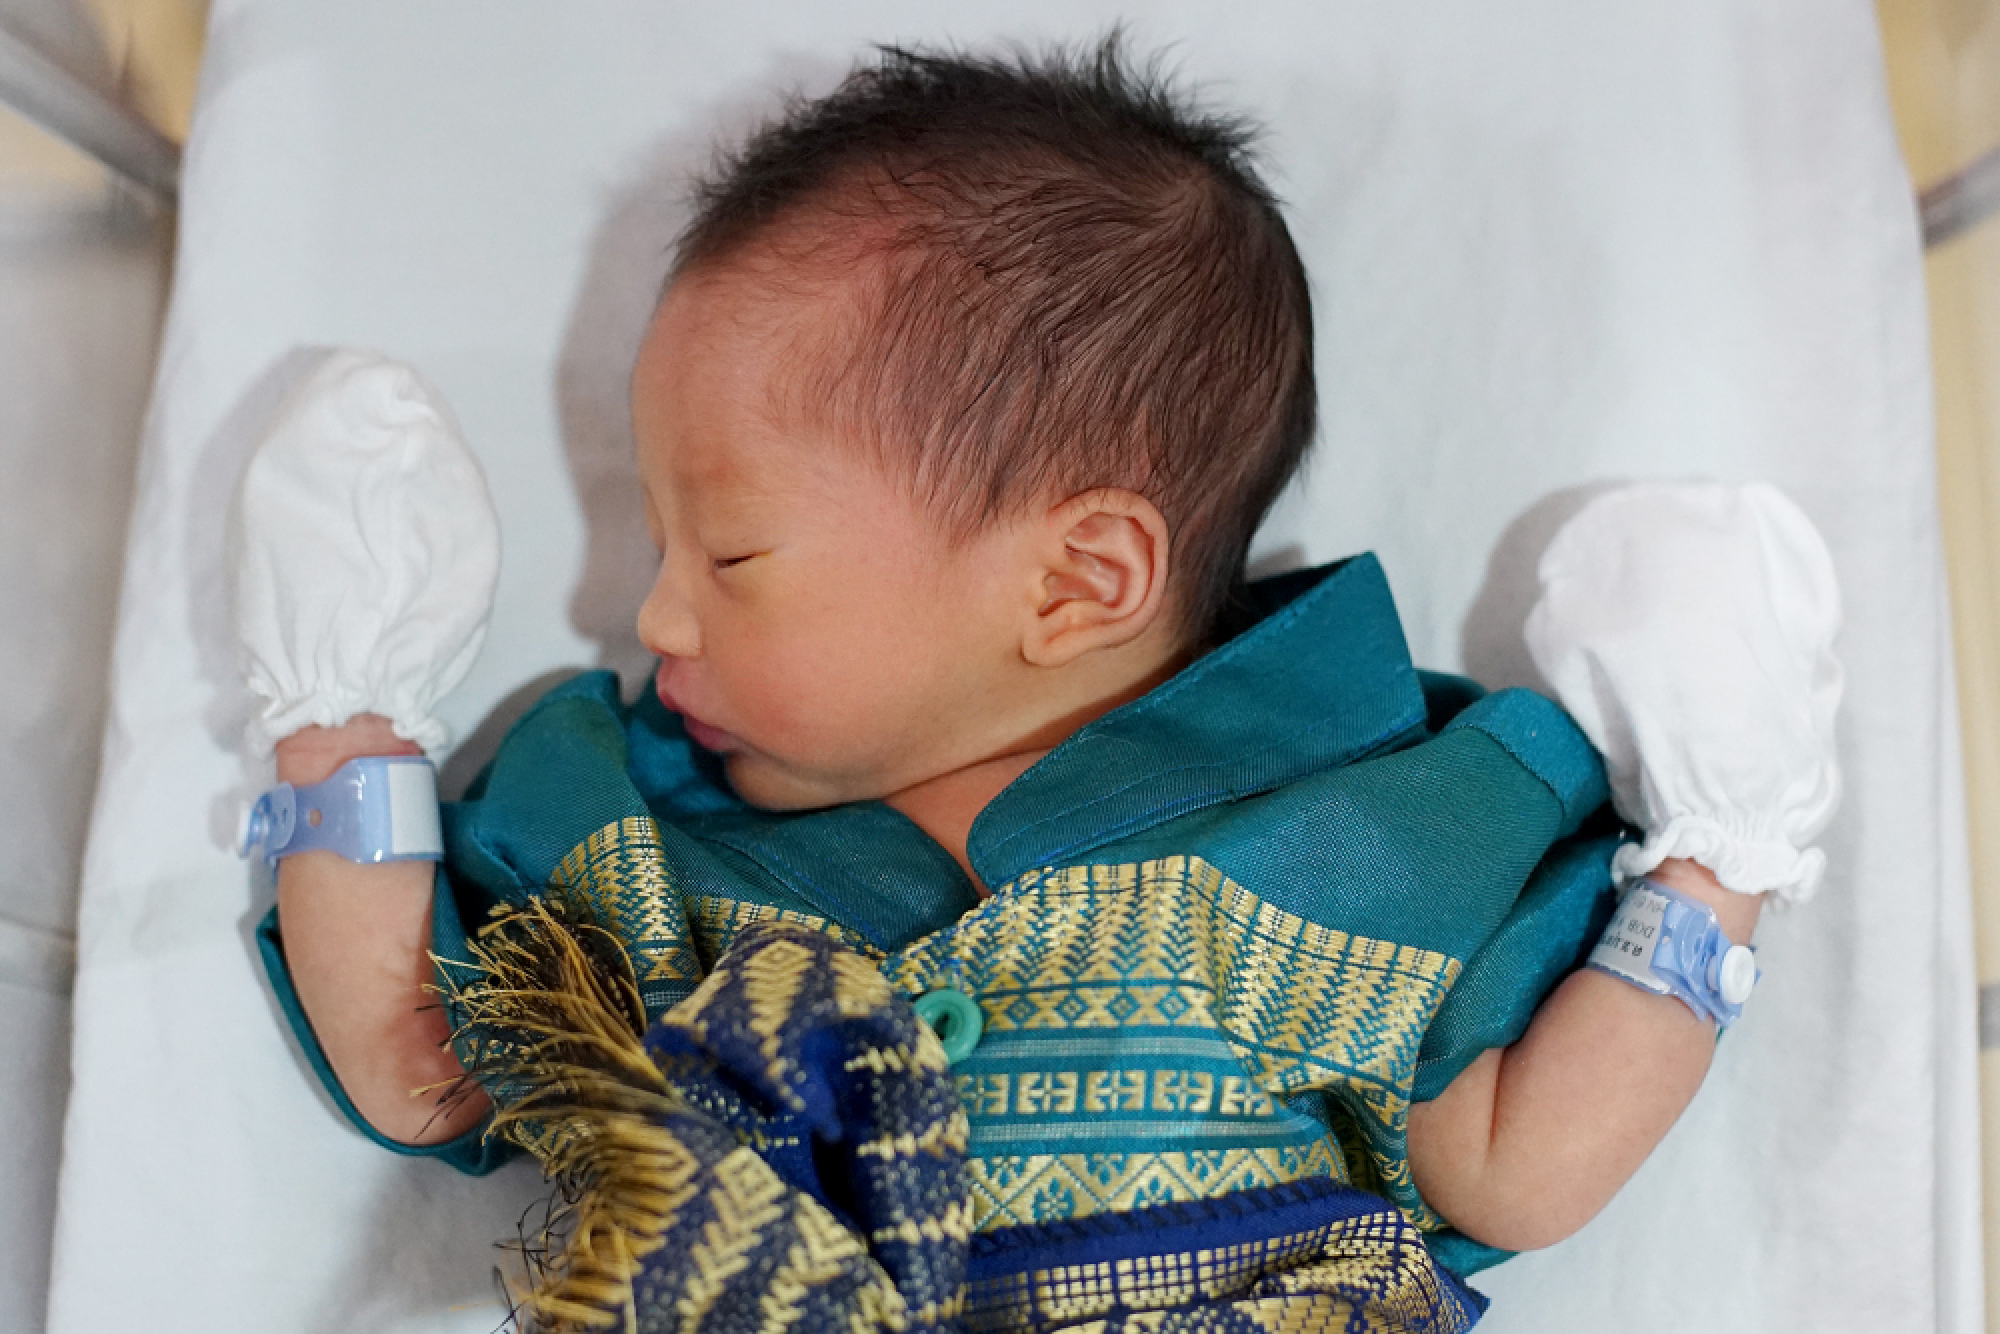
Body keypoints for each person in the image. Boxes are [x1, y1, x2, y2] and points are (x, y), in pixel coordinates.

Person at [237, 39, 1841, 1331]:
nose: (651, 612)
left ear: (1076, 582)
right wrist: (342, 731)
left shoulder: (1362, 832)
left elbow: (1513, 1165)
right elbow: (422, 1063)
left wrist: (1716, 864)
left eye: (727, 554)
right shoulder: (642, 845)